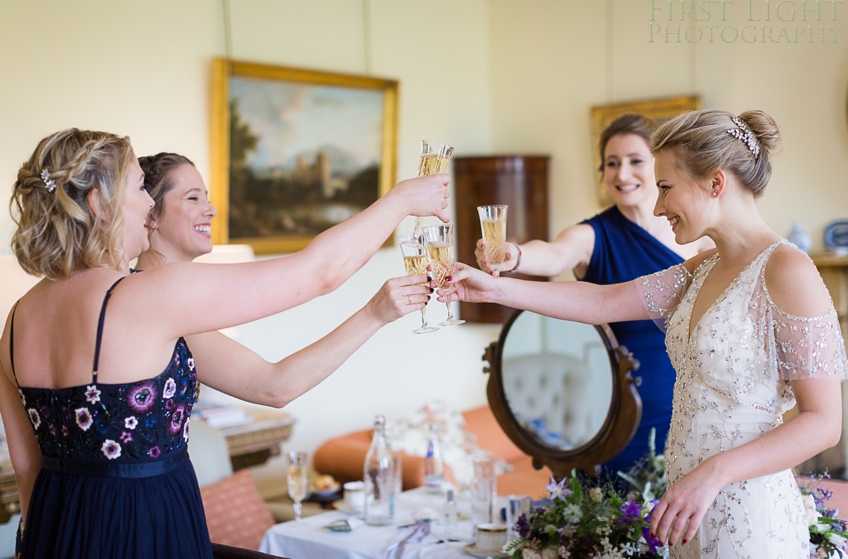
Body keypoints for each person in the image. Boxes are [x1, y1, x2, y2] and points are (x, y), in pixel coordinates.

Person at [0, 128, 449, 559]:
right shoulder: (144, 296)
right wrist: (403, 199)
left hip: (53, 526)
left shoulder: (17, 319)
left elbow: (26, 467)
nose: (148, 207)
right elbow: (318, 273)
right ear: (100, 204)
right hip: (145, 522)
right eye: (139, 189)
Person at [449, 109, 848, 557]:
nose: (657, 207)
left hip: (748, 515)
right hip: (687, 510)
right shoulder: (704, 266)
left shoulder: (788, 270)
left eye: (665, 188)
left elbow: (824, 424)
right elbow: (602, 301)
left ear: (715, 183)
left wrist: (713, 473)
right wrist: (496, 288)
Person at [475, 113, 710, 474]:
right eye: (611, 164)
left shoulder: (696, 237)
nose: (621, 174)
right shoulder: (592, 235)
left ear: (659, 166)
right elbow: (554, 255)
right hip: (622, 415)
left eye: (635, 161)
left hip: (695, 406)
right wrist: (516, 255)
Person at [134, 151, 423, 409]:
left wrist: (377, 313)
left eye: (207, 197)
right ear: (151, 214)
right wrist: (374, 314)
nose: (211, 210)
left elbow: (273, 384)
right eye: (193, 198)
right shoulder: (154, 296)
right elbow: (275, 387)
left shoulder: (156, 293)